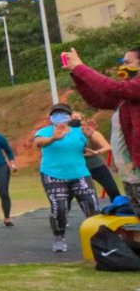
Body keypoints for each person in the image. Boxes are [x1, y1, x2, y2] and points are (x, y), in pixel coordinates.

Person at [66, 46, 140, 193]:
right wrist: (76, 75)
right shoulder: (128, 96)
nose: (123, 66)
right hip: (130, 170)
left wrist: (80, 68)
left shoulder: (132, 90)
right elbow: (97, 100)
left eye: (127, 62)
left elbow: (111, 88)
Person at [33, 101, 100, 253]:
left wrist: (90, 137)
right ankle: (59, 237)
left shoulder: (80, 131)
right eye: (55, 114)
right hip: (53, 175)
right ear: (50, 117)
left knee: (92, 206)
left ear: (70, 117)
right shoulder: (46, 131)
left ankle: (97, 238)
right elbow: (38, 143)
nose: (59, 117)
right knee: (60, 208)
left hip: (80, 174)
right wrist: (54, 138)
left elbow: (91, 149)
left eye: (63, 114)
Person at [78, 113, 120, 199]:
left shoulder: (93, 133)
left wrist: (97, 151)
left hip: (96, 165)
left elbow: (107, 146)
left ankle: (120, 208)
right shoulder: (67, 135)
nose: (80, 126)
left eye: (81, 123)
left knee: (113, 190)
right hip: (78, 168)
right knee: (85, 194)